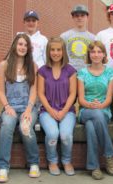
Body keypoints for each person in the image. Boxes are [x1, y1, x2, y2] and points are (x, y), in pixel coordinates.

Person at [0, 34, 40, 182]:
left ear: (29, 49)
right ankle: (3, 167)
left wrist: (28, 110)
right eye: (20, 44)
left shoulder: (33, 65)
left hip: (28, 106)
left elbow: (34, 91)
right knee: (7, 125)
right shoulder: (4, 65)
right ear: (14, 45)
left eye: (25, 45)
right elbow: (1, 91)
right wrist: (7, 106)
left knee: (25, 126)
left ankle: (33, 163)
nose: (22, 47)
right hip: (10, 107)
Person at [77, 41, 113, 180]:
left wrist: (99, 106)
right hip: (85, 111)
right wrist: (91, 105)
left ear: (104, 54)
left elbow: (108, 99)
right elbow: (81, 100)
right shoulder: (82, 72)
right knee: (95, 115)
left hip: (104, 110)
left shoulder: (110, 72)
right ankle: (109, 155)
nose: (96, 54)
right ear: (89, 54)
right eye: (93, 52)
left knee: (90, 126)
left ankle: (94, 166)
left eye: (99, 51)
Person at [37, 37, 77, 176]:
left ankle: (66, 161)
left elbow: (73, 94)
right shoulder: (42, 70)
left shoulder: (70, 70)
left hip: (67, 111)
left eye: (58, 49)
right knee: (53, 134)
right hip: (47, 111)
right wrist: (51, 110)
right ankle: (52, 161)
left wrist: (64, 111)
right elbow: (40, 94)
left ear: (63, 51)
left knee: (65, 135)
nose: (55, 52)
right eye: (52, 49)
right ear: (48, 51)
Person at [60, 4, 95, 71]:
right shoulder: (64, 36)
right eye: (76, 16)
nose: (79, 18)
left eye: (82, 15)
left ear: (87, 17)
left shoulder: (93, 38)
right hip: (68, 73)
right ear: (73, 17)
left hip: (86, 73)